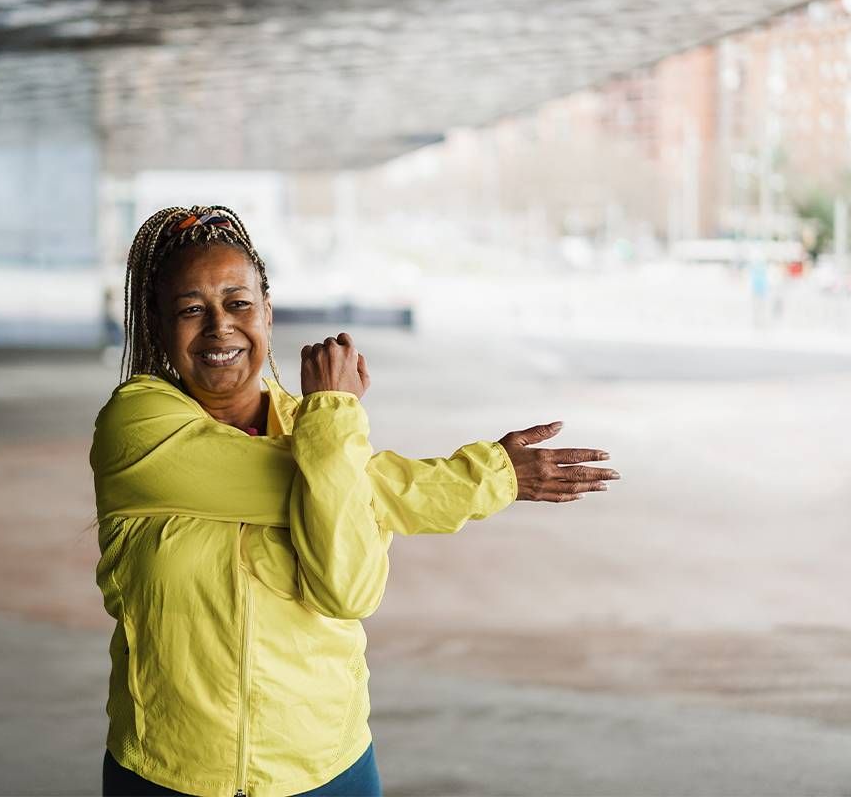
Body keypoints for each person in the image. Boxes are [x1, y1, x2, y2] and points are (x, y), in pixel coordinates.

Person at [89, 205, 618, 797]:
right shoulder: (137, 428)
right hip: (168, 772)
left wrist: (329, 430)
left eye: (238, 302)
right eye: (191, 309)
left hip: (326, 769)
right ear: (158, 327)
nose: (219, 327)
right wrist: (488, 475)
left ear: (267, 312)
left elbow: (348, 593)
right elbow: (338, 484)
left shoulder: (324, 440)